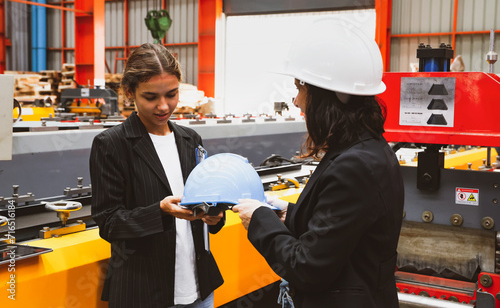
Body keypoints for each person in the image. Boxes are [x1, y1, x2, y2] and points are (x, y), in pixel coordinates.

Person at [232, 18, 405, 308]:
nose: (297, 101)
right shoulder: (371, 149)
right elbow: (344, 230)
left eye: (301, 88)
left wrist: (259, 220)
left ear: (326, 98)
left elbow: (308, 268)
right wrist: (291, 213)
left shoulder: (354, 166)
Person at [90, 43, 224, 308]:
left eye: (171, 94)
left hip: (198, 287)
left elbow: (203, 200)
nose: (164, 106)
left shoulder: (190, 139)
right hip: (144, 290)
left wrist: (214, 215)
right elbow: (109, 223)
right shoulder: (112, 144)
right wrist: (161, 211)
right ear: (130, 93)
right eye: (151, 97)